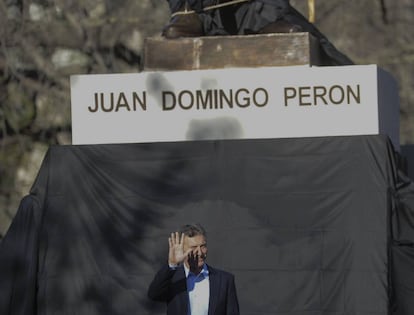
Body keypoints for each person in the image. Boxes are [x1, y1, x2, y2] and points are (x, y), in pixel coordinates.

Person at [162, 0, 354, 65]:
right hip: (201, 13)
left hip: (261, 11)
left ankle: (268, 17)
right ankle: (186, 12)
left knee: (331, 61)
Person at [148, 223, 240, 315]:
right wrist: (172, 264)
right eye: (193, 247)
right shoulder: (173, 279)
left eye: (203, 246)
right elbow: (153, 295)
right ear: (181, 249)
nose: (200, 253)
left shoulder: (224, 280)